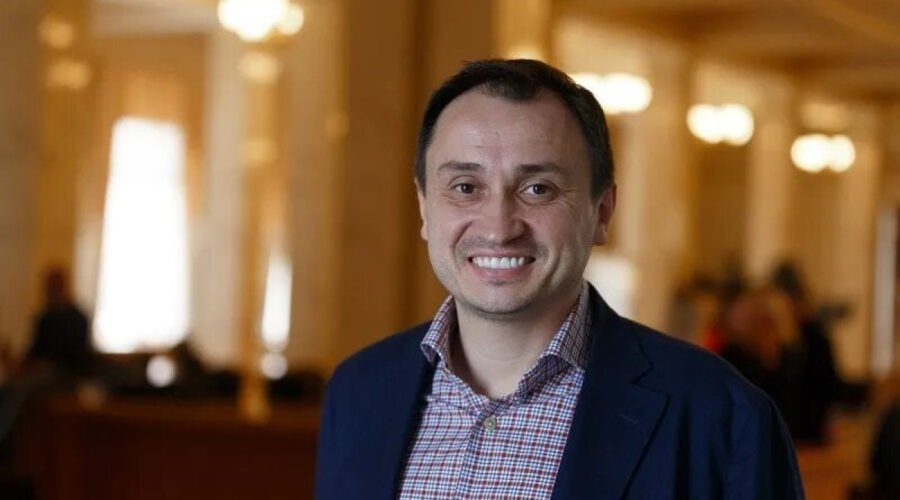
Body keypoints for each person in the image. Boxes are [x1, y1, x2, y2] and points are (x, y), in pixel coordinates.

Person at [315, 59, 804, 499]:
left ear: (601, 212)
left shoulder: (723, 416)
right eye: (465, 187)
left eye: (537, 189)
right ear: (424, 208)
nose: (499, 227)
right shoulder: (359, 392)